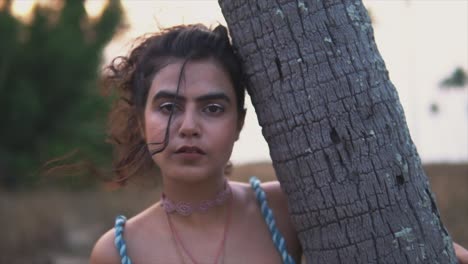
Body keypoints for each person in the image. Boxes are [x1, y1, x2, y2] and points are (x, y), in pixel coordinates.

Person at [90, 24, 468, 264]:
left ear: (238, 123)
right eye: (169, 107)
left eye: (212, 108)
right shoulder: (118, 251)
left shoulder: (286, 210)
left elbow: (411, 246)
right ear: (141, 122)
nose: (188, 126)